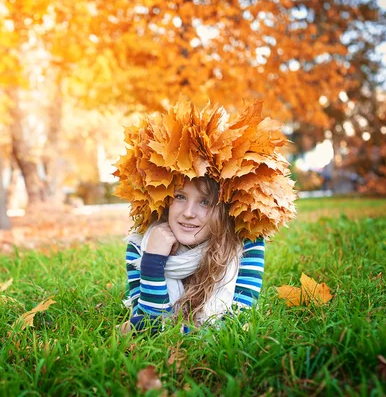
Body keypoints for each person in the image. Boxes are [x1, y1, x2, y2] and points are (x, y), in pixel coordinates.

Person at [113, 98, 297, 332]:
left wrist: (166, 329)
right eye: (180, 197)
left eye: (205, 202)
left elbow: (234, 325)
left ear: (224, 207)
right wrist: (152, 262)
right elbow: (148, 322)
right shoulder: (143, 246)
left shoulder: (246, 246)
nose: (189, 213)